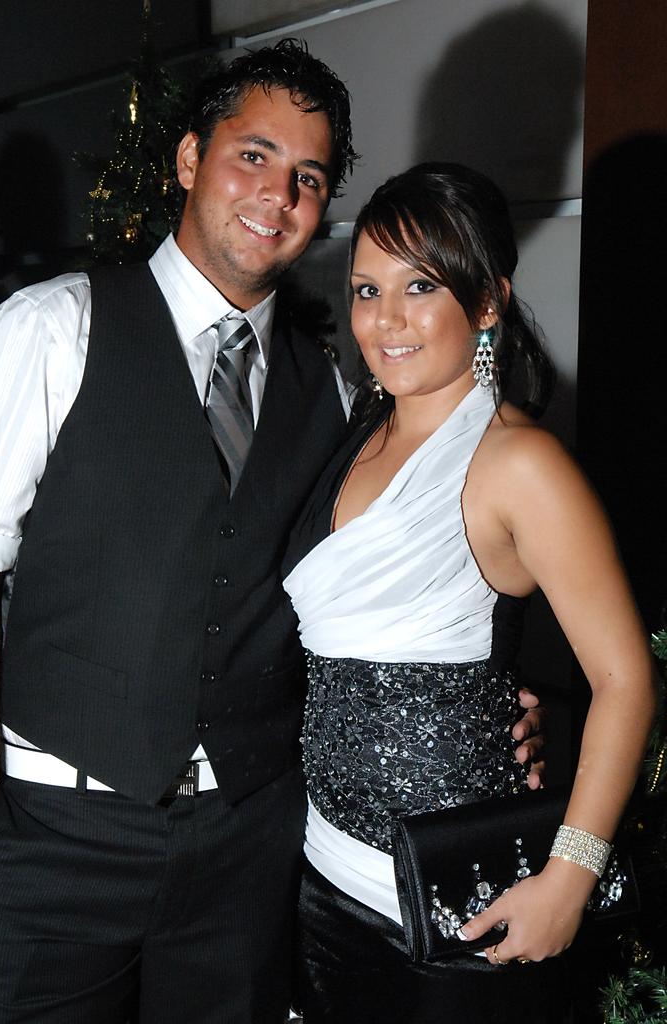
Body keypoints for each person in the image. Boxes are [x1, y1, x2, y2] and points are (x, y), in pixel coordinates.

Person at [0, 41, 541, 1022]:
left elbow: (389, 580)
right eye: (252, 155)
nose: (278, 194)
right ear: (187, 160)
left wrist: (487, 709)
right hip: (53, 832)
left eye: (306, 176)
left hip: (247, 848)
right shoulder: (50, 330)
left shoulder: (337, 385)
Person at [282, 162, 655, 1023]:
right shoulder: (354, 435)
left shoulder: (522, 464)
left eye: (421, 286)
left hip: (462, 910)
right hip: (319, 880)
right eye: (367, 288)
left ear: (487, 302)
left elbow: (626, 679)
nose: (386, 319)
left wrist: (571, 875)